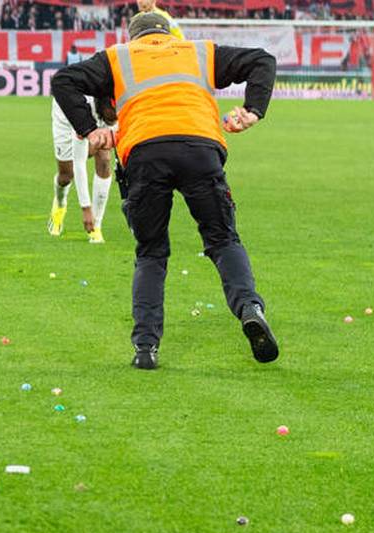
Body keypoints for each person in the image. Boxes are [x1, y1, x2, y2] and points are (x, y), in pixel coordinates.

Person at [53, 12, 278, 369]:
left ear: (133, 37)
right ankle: (250, 307)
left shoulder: (118, 57)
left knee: (151, 253)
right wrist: (252, 111)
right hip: (200, 149)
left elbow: (64, 79)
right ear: (168, 33)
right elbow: (262, 60)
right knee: (222, 240)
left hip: (145, 153)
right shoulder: (198, 51)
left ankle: (146, 348)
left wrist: (88, 129)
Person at [48, 96, 116, 244]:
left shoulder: (118, 101)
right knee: (67, 175)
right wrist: (86, 209)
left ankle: (96, 227)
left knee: (104, 160)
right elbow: (80, 163)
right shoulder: (80, 108)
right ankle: (60, 204)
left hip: (98, 107)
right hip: (66, 115)